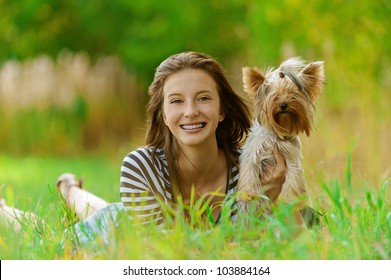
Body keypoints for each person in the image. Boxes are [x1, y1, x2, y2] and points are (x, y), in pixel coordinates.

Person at [1, 51, 288, 244]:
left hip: (127, 215)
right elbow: (166, 257)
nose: (190, 111)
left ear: (222, 109)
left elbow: (260, 250)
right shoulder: (141, 166)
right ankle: (56, 193)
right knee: (50, 233)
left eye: (203, 98)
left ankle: (69, 188)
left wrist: (266, 198)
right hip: (120, 234)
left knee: (112, 210)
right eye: (176, 101)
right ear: (163, 113)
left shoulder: (251, 169)